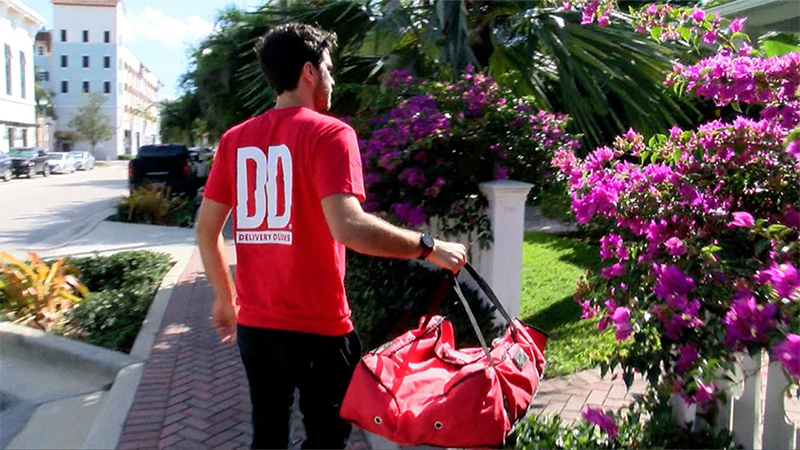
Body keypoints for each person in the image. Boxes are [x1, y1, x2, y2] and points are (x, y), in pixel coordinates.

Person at [195, 22, 467, 450]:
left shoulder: (234, 140)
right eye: (329, 67)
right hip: (318, 330)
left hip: (256, 328)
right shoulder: (330, 133)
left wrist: (222, 297)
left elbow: (206, 229)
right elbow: (350, 228)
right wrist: (428, 247)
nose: (333, 78)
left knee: (267, 434)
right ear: (308, 71)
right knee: (327, 438)